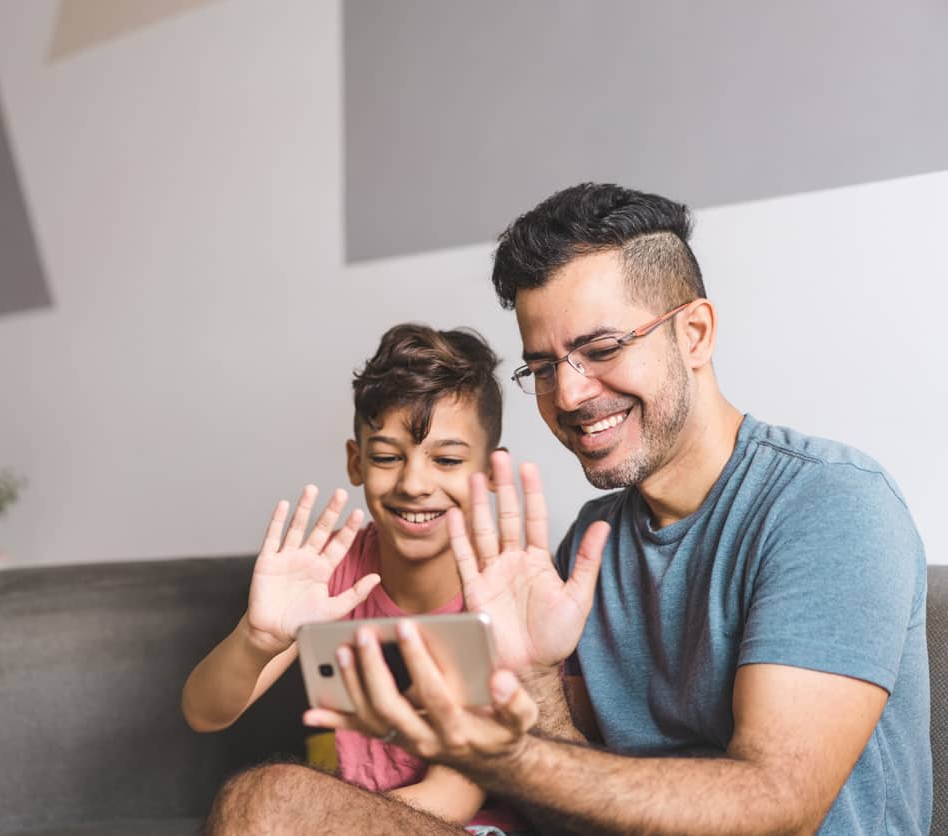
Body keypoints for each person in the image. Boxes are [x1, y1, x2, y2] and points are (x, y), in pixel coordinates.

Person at [207, 183, 930, 835]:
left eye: (602, 348)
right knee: (266, 804)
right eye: (545, 367)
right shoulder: (592, 540)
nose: (571, 395)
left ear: (695, 333)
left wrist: (501, 755)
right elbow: (571, 791)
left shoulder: (828, 503)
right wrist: (530, 680)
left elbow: (778, 805)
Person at [183, 323, 528, 833]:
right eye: (388, 457)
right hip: (347, 820)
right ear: (356, 461)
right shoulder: (336, 570)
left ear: (493, 473)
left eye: (448, 460)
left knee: (272, 805)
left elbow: (451, 797)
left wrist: (310, 818)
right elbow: (204, 712)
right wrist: (256, 639)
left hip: (461, 826)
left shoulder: (504, 590)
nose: (414, 484)